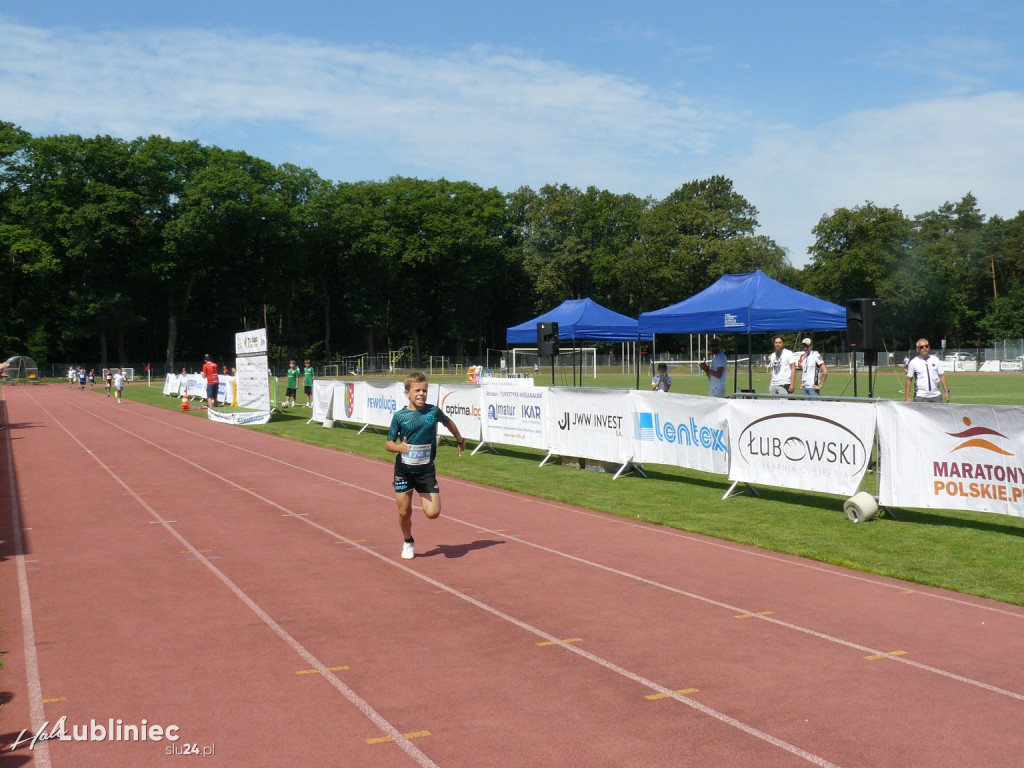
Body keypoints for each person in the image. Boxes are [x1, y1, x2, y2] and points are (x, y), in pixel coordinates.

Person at [385, 371, 465, 560]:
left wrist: (460, 439)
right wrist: (398, 447)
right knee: (404, 512)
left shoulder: (433, 411)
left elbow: (449, 423)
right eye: (417, 390)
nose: (421, 394)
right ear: (407, 393)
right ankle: (408, 541)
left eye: (424, 390)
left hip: (426, 471)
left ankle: (424, 493)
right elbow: (388, 444)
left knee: (433, 513)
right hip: (404, 472)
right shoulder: (400, 416)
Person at [905, 338, 950, 403]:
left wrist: (946, 391)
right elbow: (909, 380)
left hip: (936, 396)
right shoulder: (913, 362)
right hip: (920, 396)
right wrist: (907, 396)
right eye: (921, 347)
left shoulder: (935, 360)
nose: (924, 348)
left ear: (929, 347)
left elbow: (942, 376)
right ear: (918, 349)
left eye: (926, 346)